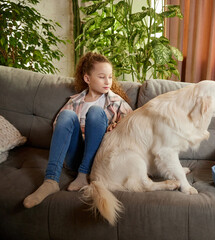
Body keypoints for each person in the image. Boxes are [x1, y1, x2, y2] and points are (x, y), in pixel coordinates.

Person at [23, 52, 133, 208]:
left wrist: (114, 129)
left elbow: (132, 128)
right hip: (74, 156)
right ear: (87, 78)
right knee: (66, 115)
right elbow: (59, 127)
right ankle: (51, 180)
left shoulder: (116, 102)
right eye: (102, 77)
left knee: (95, 112)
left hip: (99, 159)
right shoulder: (74, 102)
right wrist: (81, 130)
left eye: (110, 76)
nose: (107, 81)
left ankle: (84, 175)